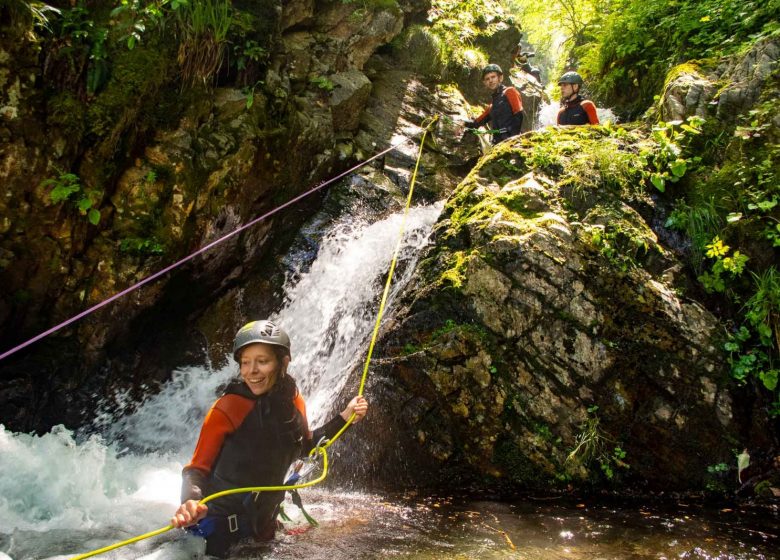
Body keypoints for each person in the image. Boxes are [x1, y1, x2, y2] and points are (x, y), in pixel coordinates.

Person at [170, 320, 369, 557]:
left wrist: (345, 418)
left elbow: (307, 447)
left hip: (262, 527)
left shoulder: (293, 400)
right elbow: (196, 470)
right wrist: (190, 502)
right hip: (218, 531)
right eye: (245, 363)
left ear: (282, 362)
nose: (251, 371)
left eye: (262, 361)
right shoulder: (226, 408)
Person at [465, 63, 524, 145]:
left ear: (500, 78)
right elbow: (477, 122)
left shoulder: (510, 91)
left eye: (493, 77)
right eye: (487, 79)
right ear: (485, 83)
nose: (490, 81)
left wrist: (513, 138)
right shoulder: (493, 105)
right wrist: (464, 124)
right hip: (498, 143)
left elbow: (519, 114)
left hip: (512, 141)